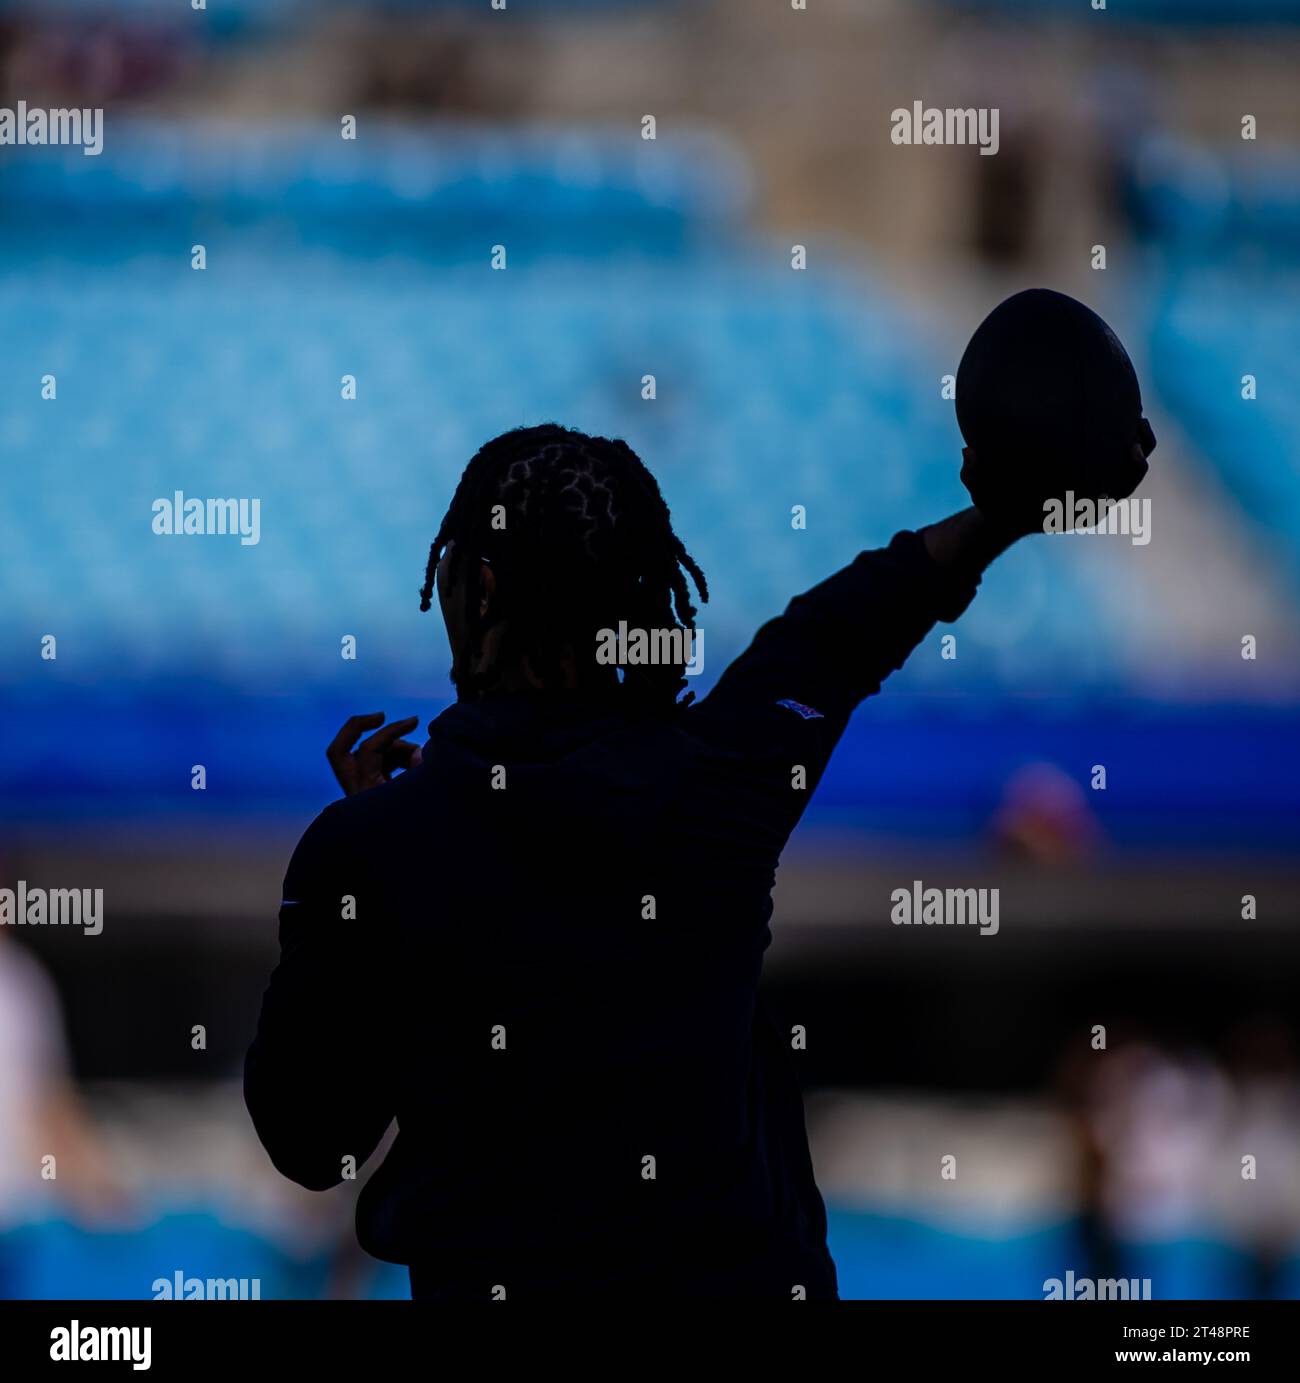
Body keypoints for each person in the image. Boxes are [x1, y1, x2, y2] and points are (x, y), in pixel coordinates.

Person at [244, 421, 1148, 1300]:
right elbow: (837, 634)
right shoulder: (725, 780)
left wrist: (345, 903)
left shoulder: (369, 851)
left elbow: (314, 1144)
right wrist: (1003, 514)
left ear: (478, 590)